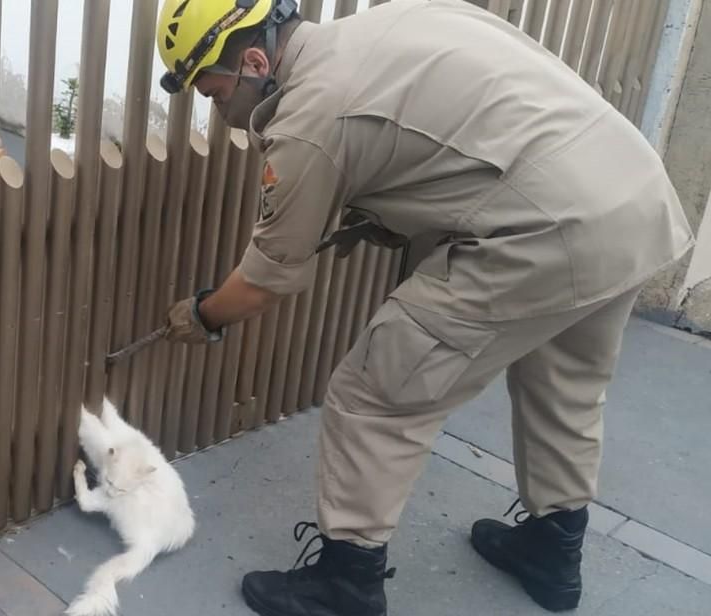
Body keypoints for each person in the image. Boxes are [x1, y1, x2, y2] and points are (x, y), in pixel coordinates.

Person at [154, 1, 694, 614]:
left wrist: (203, 316)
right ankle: (551, 551)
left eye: (213, 90)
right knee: (564, 382)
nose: (215, 108)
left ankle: (345, 585)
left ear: (254, 60)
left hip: (545, 231)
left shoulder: (308, 117)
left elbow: (266, 280)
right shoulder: (394, 21)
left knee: (374, 396)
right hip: (630, 200)